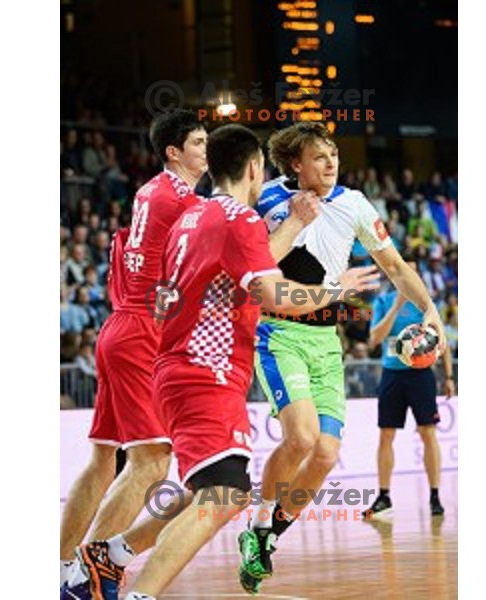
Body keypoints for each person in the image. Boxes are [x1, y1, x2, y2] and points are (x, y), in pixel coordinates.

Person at [114, 124, 380, 600]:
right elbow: (272, 290)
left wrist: (295, 225)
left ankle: (108, 556)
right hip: (210, 366)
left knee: (243, 480)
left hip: (184, 363)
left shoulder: (194, 217)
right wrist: (338, 290)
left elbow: (238, 266)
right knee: (227, 489)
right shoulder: (241, 217)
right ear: (256, 168)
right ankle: (135, 586)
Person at [238, 122, 447, 593]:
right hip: (279, 333)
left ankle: (269, 535)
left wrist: (429, 308)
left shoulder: (353, 203)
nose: (331, 162)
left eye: (334, 154)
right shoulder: (268, 198)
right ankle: (255, 526)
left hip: (325, 340)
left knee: (327, 453)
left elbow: (393, 265)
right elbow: (250, 264)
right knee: (302, 438)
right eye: (319, 156)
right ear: (296, 163)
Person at [60, 109, 208, 599]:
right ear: (174, 151)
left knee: (103, 459)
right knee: (150, 464)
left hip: (119, 324)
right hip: (143, 329)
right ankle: (88, 573)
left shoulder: (149, 191)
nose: (206, 151)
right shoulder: (184, 200)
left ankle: (61, 568)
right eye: (199, 142)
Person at [363, 261, 455, 518]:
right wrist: (397, 306)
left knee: (428, 433)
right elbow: (374, 339)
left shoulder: (426, 304)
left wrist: (448, 376)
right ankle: (383, 496)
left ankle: (435, 496)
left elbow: (440, 340)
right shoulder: (383, 301)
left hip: (420, 375)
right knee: (386, 435)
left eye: (413, 271)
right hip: (392, 373)